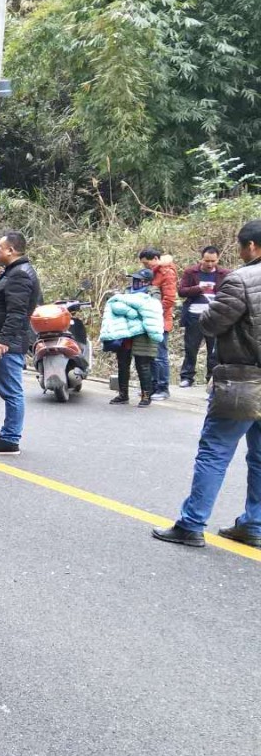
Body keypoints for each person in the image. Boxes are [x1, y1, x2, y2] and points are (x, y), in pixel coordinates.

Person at [154, 220, 261, 549]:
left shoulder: (240, 280)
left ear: (252, 247)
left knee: (215, 452)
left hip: (243, 381)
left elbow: (212, 323)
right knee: (259, 458)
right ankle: (254, 524)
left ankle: (192, 523)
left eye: (242, 246)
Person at [0, 230, 41, 456]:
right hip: (5, 340)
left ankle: (11, 439)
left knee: (12, 391)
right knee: (8, 390)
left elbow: (17, 312)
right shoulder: (14, 272)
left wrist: (4, 339)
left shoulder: (19, 275)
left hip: (8, 343)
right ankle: (7, 432)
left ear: (11, 250)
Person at [101, 269, 164, 407]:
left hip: (143, 334)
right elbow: (117, 306)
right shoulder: (128, 291)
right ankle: (123, 395)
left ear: (146, 281)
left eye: (138, 279)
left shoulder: (153, 292)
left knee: (143, 365)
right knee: (123, 363)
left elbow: (151, 308)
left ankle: (146, 396)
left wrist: (131, 306)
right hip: (126, 332)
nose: (134, 282)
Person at [178, 245, 231, 387]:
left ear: (218, 259)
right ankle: (187, 377)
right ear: (201, 259)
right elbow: (181, 291)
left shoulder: (224, 274)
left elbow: (230, 293)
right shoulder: (191, 272)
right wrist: (198, 288)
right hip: (194, 314)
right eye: (206, 260)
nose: (209, 264)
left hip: (215, 315)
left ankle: (211, 378)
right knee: (191, 347)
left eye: (213, 261)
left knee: (213, 349)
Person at [139, 246, 178, 400]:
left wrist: (152, 310)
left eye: (147, 263)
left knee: (160, 355)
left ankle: (163, 388)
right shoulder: (152, 273)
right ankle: (152, 387)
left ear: (155, 259)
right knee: (150, 355)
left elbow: (169, 300)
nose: (145, 267)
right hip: (150, 319)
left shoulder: (167, 273)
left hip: (161, 320)